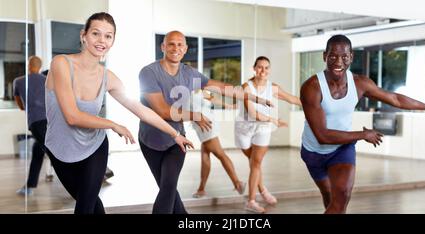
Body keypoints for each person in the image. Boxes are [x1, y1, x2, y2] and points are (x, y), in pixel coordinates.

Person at [44, 12, 193, 214]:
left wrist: (175, 135)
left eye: (108, 36)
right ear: (83, 35)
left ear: (113, 40)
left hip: (94, 147)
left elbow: (140, 109)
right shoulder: (61, 63)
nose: (101, 41)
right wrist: (113, 124)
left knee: (86, 206)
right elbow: (72, 116)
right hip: (60, 148)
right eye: (96, 33)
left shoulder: (108, 77)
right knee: (93, 206)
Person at [300, 34, 425, 214]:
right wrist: (363, 135)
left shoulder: (360, 83)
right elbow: (322, 136)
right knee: (329, 195)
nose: (339, 61)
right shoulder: (312, 87)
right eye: (333, 56)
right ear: (325, 56)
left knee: (343, 196)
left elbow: (395, 98)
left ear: (351, 57)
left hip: (341, 149)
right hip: (314, 152)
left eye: (344, 57)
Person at [139, 30, 271, 214]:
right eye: (171, 44)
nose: (175, 48)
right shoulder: (148, 73)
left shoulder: (189, 74)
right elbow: (162, 110)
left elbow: (221, 88)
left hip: (176, 141)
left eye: (180, 45)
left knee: (168, 186)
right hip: (150, 140)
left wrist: (253, 97)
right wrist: (195, 115)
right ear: (163, 47)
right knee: (167, 189)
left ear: (185, 49)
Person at [235, 56, 302, 213]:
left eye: (266, 68)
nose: (263, 70)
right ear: (254, 68)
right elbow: (252, 113)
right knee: (254, 163)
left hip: (263, 128)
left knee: (256, 163)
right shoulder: (246, 87)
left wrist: (314, 102)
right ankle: (263, 190)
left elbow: (292, 99)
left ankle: (251, 201)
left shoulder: (273, 87)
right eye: (260, 67)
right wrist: (273, 119)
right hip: (244, 128)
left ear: (269, 70)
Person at [190, 90, 246, 198]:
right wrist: (228, 105)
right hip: (204, 124)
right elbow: (212, 98)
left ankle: (237, 183)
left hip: (206, 124)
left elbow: (211, 98)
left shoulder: (194, 89)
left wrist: (228, 105)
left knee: (220, 154)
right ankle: (201, 189)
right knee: (205, 155)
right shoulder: (193, 90)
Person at [13, 56, 47, 196]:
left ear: (28, 65)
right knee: (38, 151)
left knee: (56, 154)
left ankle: (87, 179)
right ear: (40, 66)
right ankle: (29, 186)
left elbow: (20, 106)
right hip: (50, 121)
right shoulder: (46, 80)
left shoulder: (19, 81)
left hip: (36, 122)